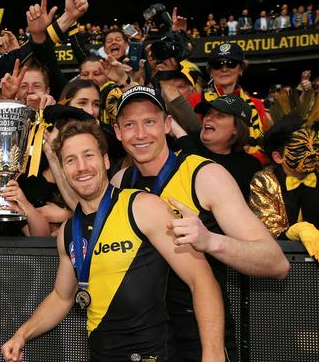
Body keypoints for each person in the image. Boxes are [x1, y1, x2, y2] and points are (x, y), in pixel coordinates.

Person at [2, 120, 225, 361]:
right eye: (71, 160)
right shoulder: (68, 232)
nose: (81, 167)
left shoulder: (142, 207)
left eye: (88, 155)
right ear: (64, 172)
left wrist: (213, 354)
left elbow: (201, 279)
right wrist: (21, 335)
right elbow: (62, 297)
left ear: (106, 161)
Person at [111, 85, 289, 361]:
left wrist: (210, 241)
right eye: (130, 124)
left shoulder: (206, 176)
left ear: (168, 124)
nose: (141, 134)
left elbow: (276, 263)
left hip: (200, 339)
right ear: (118, 132)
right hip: (141, 341)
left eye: (149, 121)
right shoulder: (120, 182)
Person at [249, 117, 318, 260]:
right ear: (278, 157)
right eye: (301, 149)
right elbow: (266, 229)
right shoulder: (265, 180)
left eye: (316, 147)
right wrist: (296, 230)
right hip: (281, 260)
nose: (312, 153)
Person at [188, 43, 269, 164]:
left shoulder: (256, 104)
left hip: (248, 167)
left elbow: (265, 147)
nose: (224, 69)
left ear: (240, 69)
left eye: (231, 64)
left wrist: (248, 159)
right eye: (217, 65)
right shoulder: (196, 101)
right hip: (207, 165)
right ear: (210, 71)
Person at [170, 94, 262, 200]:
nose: (209, 118)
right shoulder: (178, 145)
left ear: (237, 128)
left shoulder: (250, 166)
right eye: (208, 113)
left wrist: (182, 137)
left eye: (220, 115)